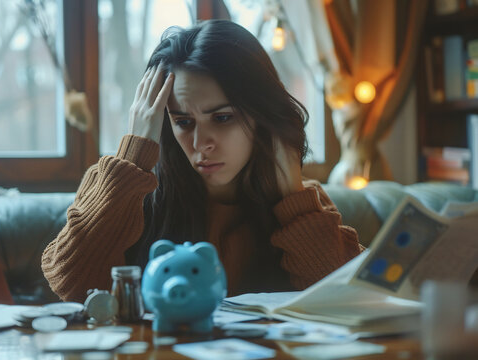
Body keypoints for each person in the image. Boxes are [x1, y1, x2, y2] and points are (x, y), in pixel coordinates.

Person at [42, 19, 362, 302]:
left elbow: (347, 301)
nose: (200, 144)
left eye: (222, 118)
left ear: (263, 116)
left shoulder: (303, 201)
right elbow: (71, 284)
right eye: (183, 122)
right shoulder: (125, 191)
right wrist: (134, 155)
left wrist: (292, 196)